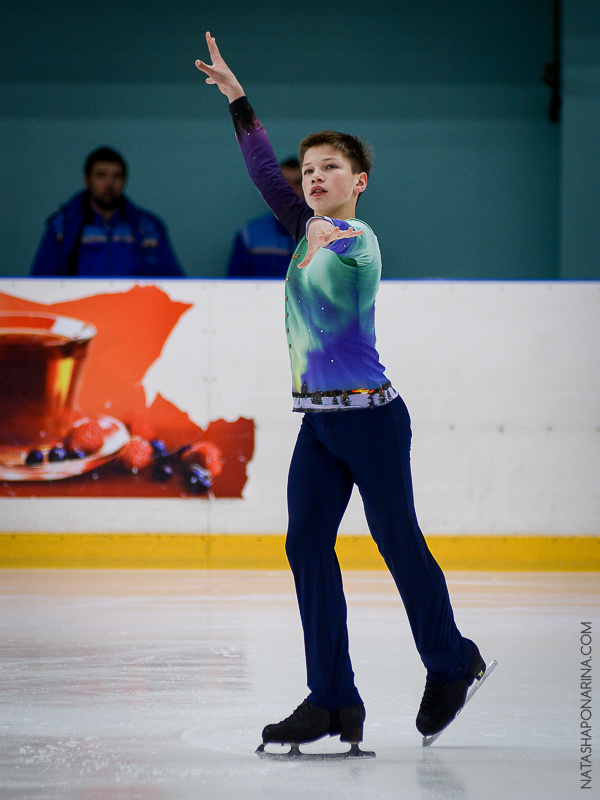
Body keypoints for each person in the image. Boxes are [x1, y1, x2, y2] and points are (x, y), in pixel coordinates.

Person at [195, 32, 489, 753]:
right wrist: (239, 101)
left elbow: (332, 244)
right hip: (319, 427)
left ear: (359, 181)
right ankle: (332, 700)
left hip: (374, 422)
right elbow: (268, 173)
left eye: (333, 168)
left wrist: (321, 232)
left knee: (396, 542)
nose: (315, 177)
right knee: (306, 546)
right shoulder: (304, 229)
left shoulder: (356, 242)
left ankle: (453, 661)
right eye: (311, 169)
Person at [30, 147, 184, 277]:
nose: (109, 184)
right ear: (86, 180)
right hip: (77, 311)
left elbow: (174, 282)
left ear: (124, 181)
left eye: (116, 177)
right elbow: (41, 284)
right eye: (101, 176)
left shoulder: (149, 227)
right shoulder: (62, 227)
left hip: (136, 310)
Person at [227, 157, 303, 278]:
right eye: (284, 182)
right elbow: (234, 286)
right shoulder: (249, 235)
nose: (291, 189)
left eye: (298, 183)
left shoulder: (325, 233)